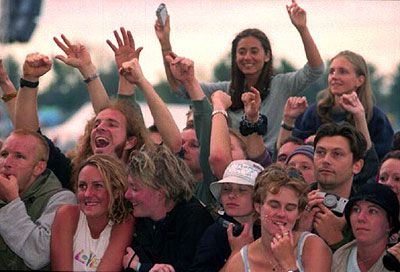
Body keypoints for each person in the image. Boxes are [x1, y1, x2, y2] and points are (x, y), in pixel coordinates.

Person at [156, 0, 324, 152]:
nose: (247, 57)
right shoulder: (224, 91)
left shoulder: (282, 84)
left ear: (267, 56)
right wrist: (165, 44)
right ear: (235, 58)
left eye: (254, 51)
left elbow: (315, 69)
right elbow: (180, 88)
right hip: (234, 164)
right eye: (241, 52)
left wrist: (302, 28)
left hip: (270, 163)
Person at [224, 164, 332, 271]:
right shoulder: (239, 263)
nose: (281, 214)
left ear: (298, 213)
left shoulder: (313, 247)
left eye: (290, 208)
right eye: (274, 205)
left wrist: (288, 263)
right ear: (258, 206)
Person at [123, 144, 214, 272]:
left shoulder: (194, 220)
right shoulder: (141, 220)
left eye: (134, 188)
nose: (127, 195)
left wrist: (140, 267)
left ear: (160, 192)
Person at [294, 50, 394, 160]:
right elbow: (293, 151)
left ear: (359, 80)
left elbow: (380, 160)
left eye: (342, 72)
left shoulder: (376, 118)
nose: (334, 77)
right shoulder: (313, 113)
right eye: (331, 72)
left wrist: (359, 117)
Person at [0, 129, 76, 270]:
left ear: (39, 168)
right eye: (4, 154)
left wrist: (12, 201)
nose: (7, 163)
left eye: (19, 156)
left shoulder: (61, 200)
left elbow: (38, 255)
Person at [51, 154, 134, 271]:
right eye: (82, 186)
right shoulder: (66, 215)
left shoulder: (124, 222)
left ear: (115, 191)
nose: (87, 194)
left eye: (98, 186)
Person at [298, 122, 367, 252]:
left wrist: (336, 240)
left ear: (357, 165)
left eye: (337, 154)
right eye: (320, 152)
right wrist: (298, 231)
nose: (326, 160)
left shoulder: (366, 212)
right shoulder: (293, 201)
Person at [190, 160, 264, 272]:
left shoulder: (268, 231)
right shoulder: (215, 234)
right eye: (226, 189)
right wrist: (237, 253)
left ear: (259, 197)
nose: (231, 195)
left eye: (242, 190)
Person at [332, 183, 400, 272]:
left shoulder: (396, 262)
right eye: (356, 209)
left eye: (372, 211)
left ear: (390, 223)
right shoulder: (340, 256)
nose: (360, 218)